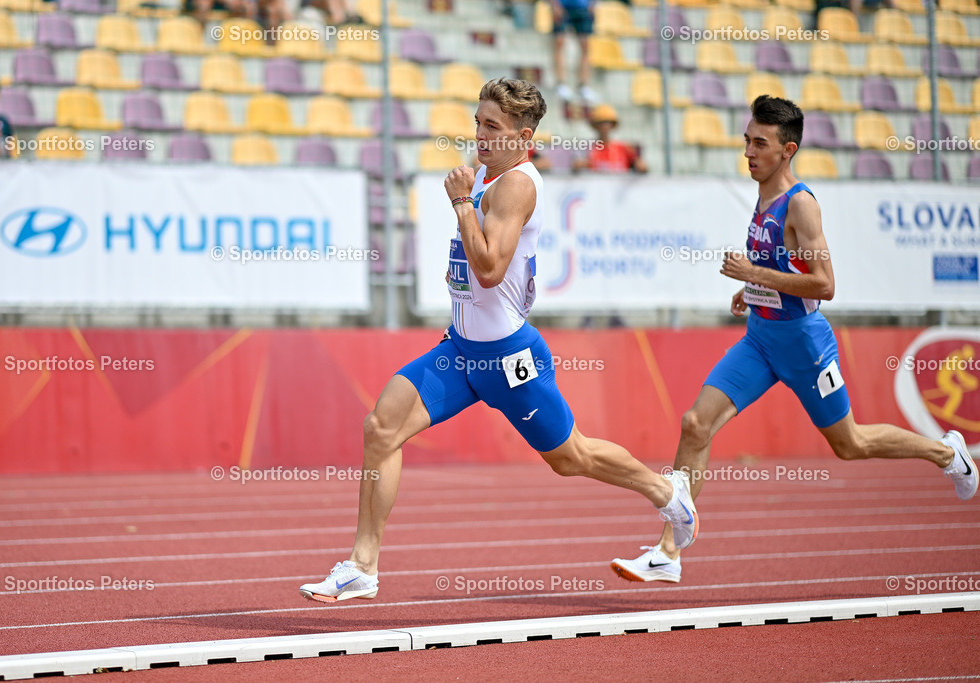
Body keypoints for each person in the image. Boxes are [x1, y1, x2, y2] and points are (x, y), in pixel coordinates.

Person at [300, 78, 698, 602]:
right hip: (461, 351)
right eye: (477, 122)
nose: (480, 135)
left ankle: (668, 491)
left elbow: (488, 269)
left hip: (509, 357)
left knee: (570, 457)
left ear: (523, 136)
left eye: (492, 126)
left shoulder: (516, 185)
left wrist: (463, 202)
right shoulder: (489, 174)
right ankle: (362, 566)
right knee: (381, 428)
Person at [610, 95, 978, 585]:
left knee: (851, 444)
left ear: (788, 149)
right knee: (695, 424)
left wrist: (753, 273)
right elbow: (788, 270)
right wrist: (752, 288)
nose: (748, 151)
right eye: (746, 141)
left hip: (804, 346)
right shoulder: (761, 197)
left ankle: (947, 452)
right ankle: (668, 551)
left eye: (759, 143)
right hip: (760, 340)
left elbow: (825, 285)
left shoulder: (800, 205)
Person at [573, 104, 648, 174]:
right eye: (601, 123)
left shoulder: (624, 148)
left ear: (612, 125)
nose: (604, 127)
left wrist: (641, 166)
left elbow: (642, 167)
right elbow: (576, 168)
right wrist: (578, 166)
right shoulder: (588, 150)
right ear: (595, 126)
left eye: (607, 123)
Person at [550, 0, 598, 104]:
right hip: (562, 5)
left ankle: (583, 85)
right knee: (559, 42)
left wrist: (594, 4)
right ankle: (560, 84)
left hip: (583, 7)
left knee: (585, 45)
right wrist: (555, 4)